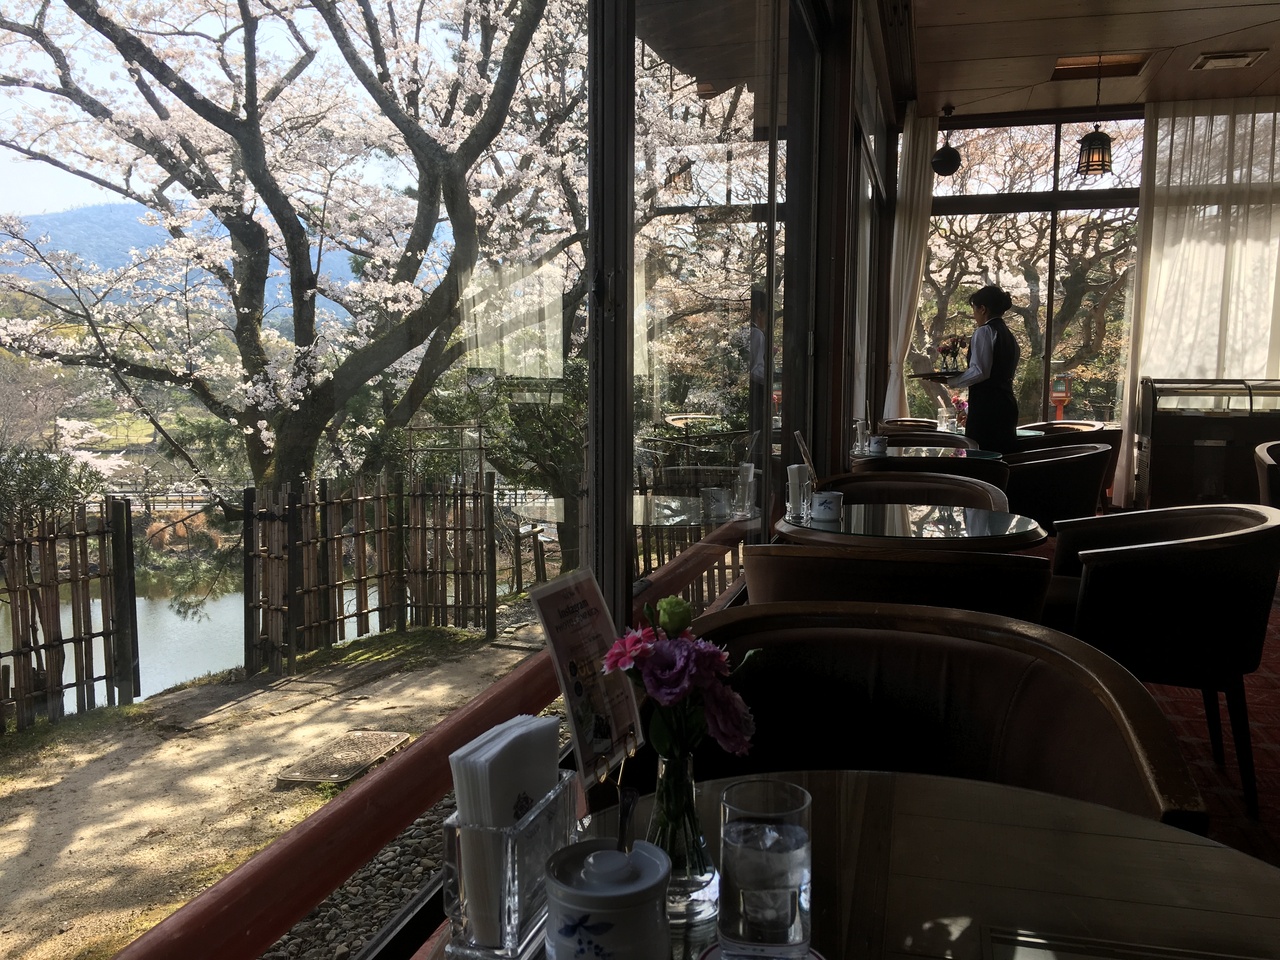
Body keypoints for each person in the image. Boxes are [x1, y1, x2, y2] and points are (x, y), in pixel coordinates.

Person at [943, 285, 1020, 453]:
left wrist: (951, 381)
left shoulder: (985, 331)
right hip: (1006, 404)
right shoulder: (1009, 335)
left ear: (983, 309)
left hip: (987, 409)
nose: (974, 315)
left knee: (981, 458)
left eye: (974, 310)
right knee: (1003, 458)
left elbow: (980, 371)